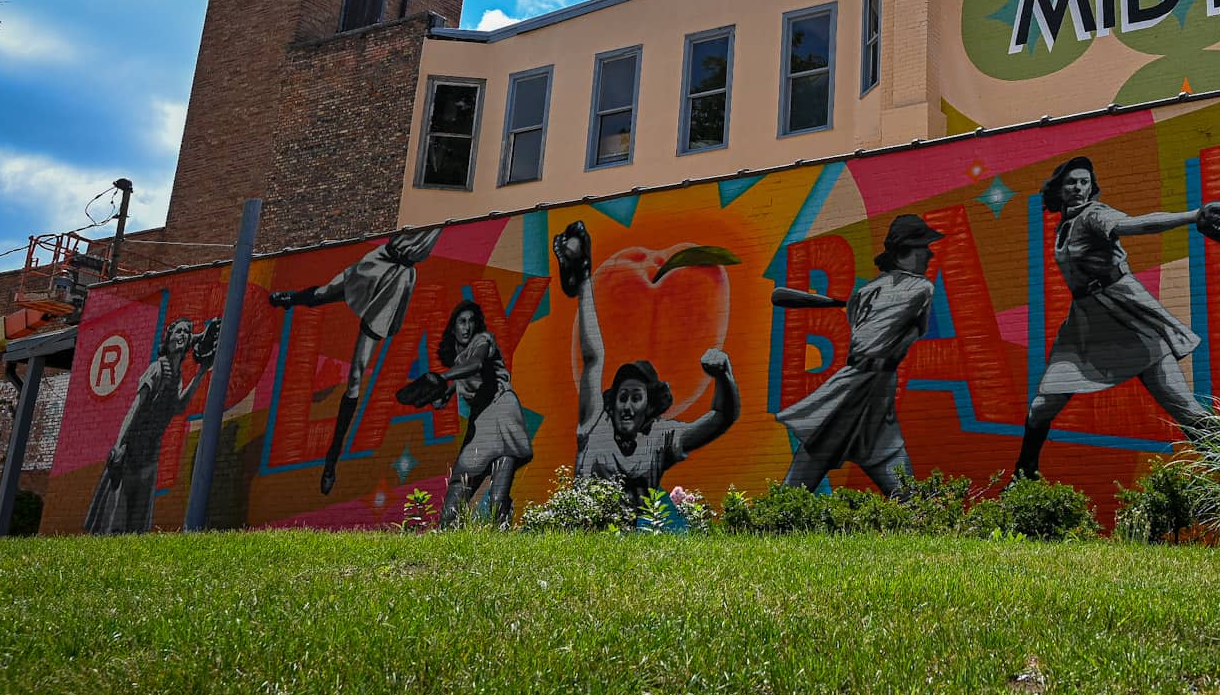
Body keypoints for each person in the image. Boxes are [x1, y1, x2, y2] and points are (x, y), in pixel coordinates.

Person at [1014, 157, 1220, 477]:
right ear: (1059, 189)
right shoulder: (1064, 226)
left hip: (1125, 314)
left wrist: (1194, 215)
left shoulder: (1095, 215)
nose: (1079, 188)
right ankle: (1023, 474)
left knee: (1184, 408)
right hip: (1086, 324)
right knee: (1043, 405)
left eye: (1085, 182)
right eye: (1072, 182)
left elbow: (1138, 224)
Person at [555, 220, 740, 501]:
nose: (627, 406)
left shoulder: (659, 439)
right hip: (583, 539)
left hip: (634, 542)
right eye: (623, 397)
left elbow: (720, 418)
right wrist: (583, 281)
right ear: (613, 403)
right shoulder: (595, 423)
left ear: (649, 405)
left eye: (636, 397)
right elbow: (593, 357)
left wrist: (724, 377)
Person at [771, 214, 945, 495]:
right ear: (904, 253)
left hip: (877, 392)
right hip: (854, 388)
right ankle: (767, 526)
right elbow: (866, 340)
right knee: (802, 478)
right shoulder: (917, 288)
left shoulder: (874, 291)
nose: (929, 252)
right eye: (922, 247)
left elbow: (887, 331)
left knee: (904, 490)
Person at [269, 227, 441, 495]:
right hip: (381, 258)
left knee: (355, 380)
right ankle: (292, 298)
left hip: (397, 280)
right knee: (322, 293)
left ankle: (332, 458)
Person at [404, 300, 533, 527]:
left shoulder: (483, 341)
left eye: (472, 321)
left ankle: (499, 535)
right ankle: (450, 535)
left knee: (494, 495)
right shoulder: (458, 362)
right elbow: (448, 393)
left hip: (501, 410)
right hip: (482, 420)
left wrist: (442, 378)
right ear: (453, 328)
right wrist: (434, 395)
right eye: (462, 322)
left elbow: (476, 363)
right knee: (460, 488)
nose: (467, 327)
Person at [84, 317, 214, 534]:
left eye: (185, 332)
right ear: (168, 339)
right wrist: (119, 445)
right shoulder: (156, 369)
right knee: (116, 516)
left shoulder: (176, 376)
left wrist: (202, 371)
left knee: (138, 520)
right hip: (132, 451)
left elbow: (179, 406)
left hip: (150, 454)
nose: (182, 335)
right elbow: (135, 408)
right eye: (178, 331)